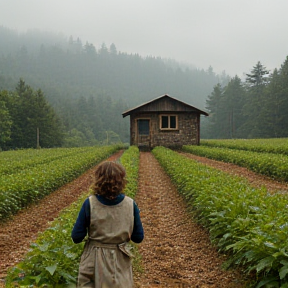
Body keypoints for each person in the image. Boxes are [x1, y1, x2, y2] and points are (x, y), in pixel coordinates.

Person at [71, 161, 144, 288]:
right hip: (120, 258)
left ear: (98, 180)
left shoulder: (90, 204)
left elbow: (76, 237)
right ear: (121, 180)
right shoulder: (130, 204)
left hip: (94, 258)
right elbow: (138, 237)